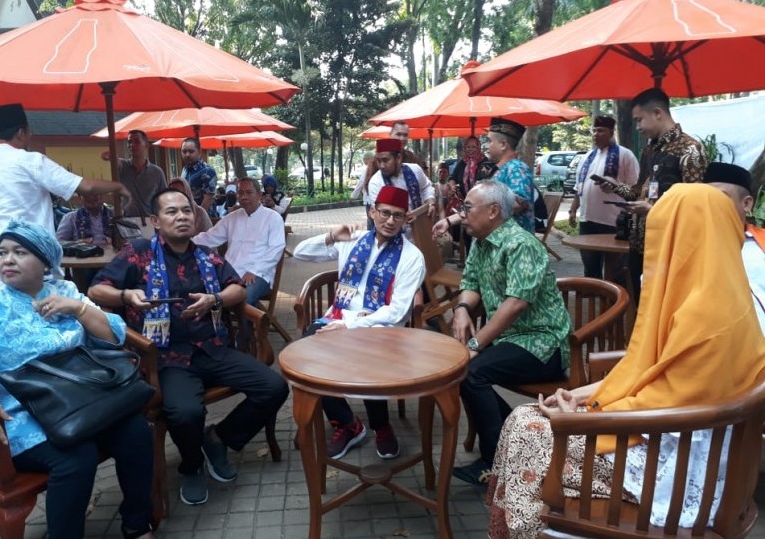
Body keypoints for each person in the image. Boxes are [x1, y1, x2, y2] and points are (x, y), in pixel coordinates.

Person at [487, 184, 765, 538]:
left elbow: (672, 403)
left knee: (529, 430)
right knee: (527, 418)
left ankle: (525, 530)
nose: (654, 249)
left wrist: (584, 420)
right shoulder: (717, 289)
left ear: (688, 236)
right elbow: (647, 369)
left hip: (673, 466)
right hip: (669, 432)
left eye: (663, 234)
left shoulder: (709, 315)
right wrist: (582, 396)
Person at [0, 219, 154, 539]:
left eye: (20, 252)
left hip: (79, 401)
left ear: (45, 262)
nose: (7, 260)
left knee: (136, 432)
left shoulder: (64, 290)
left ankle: (137, 523)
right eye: (2, 252)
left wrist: (78, 308)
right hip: (16, 413)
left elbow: (112, 336)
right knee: (75, 458)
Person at [89, 189, 288, 506]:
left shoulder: (206, 254)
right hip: (165, 357)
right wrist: (126, 296)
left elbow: (237, 287)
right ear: (156, 220)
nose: (181, 216)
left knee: (274, 386)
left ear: (195, 218)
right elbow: (97, 290)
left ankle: (218, 439)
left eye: (187, 211)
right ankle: (192, 466)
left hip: (213, 347)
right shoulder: (138, 253)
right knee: (185, 412)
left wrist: (216, 299)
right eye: (172, 212)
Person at [450, 181, 570, 486]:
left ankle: (496, 462)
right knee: (463, 370)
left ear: (493, 211)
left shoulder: (521, 243)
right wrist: (462, 309)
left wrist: (476, 342)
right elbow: (471, 282)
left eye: (467, 207)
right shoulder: (481, 240)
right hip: (509, 338)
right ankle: (518, 444)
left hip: (542, 342)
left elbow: (516, 304)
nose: (461, 214)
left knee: (472, 372)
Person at [293, 186, 426, 460]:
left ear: (406, 219)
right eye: (385, 213)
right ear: (372, 212)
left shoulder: (412, 257)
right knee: (304, 353)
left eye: (398, 216)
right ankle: (347, 423)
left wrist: (349, 325)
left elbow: (398, 311)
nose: (390, 221)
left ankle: (381, 425)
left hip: (381, 331)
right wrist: (332, 236)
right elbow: (299, 254)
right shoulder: (353, 240)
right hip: (336, 320)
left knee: (366, 355)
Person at [0, 104, 131, 286]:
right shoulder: (31, 161)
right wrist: (118, 186)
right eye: (29, 131)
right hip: (29, 269)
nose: (31, 136)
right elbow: (85, 187)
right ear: (20, 133)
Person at [598, 88, 707, 304]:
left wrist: (653, 210)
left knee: (665, 307)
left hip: (670, 248)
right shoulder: (650, 151)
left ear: (658, 113)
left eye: (640, 120)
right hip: (640, 245)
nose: (638, 127)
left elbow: (696, 207)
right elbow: (639, 192)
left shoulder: (690, 150)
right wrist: (616, 187)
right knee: (640, 305)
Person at [192, 178, 285, 306]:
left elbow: (276, 249)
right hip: (229, 273)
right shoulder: (232, 218)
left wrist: (255, 270)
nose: (244, 197)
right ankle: (220, 325)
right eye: (240, 193)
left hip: (259, 274)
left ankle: (250, 325)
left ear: (259, 195)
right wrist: (184, 243)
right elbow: (209, 238)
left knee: (243, 298)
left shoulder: (273, 218)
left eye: (248, 192)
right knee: (202, 290)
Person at [434, 118, 535, 237]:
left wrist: (480, 209)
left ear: (503, 144)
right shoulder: (497, 170)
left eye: (489, 141)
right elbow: (479, 205)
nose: (486, 146)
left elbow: (519, 204)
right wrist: (449, 221)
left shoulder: (517, 168)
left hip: (513, 246)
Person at [568, 115, 640, 279]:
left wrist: (614, 188)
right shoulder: (587, 157)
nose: (595, 134)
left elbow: (636, 189)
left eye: (601, 130)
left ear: (611, 132)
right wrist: (573, 210)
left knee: (615, 271)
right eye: (593, 130)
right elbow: (579, 187)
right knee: (590, 267)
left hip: (613, 221)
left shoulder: (625, 155)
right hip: (587, 221)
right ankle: (594, 300)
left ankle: (614, 302)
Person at [703, 161, 765, 333]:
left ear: (746, 204)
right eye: (705, 198)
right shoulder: (689, 248)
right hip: (720, 347)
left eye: (721, 197)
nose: (711, 204)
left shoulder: (761, 242)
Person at [367, 138, 436, 222]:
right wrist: (403, 217)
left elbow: (426, 187)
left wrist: (431, 203)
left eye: (385, 160)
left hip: (420, 226)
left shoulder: (415, 170)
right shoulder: (376, 182)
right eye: (378, 160)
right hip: (393, 232)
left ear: (398, 158)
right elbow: (380, 215)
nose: (382, 166)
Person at [118, 129, 167, 217]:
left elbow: (164, 199)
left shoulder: (157, 173)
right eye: (129, 142)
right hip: (126, 222)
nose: (132, 145)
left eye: (137, 142)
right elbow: (114, 161)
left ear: (146, 145)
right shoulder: (122, 167)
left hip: (150, 222)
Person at [180, 137, 217, 213]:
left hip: (206, 219)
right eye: (184, 151)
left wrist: (196, 218)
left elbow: (208, 200)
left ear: (199, 152)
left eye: (191, 151)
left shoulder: (207, 171)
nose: (187, 155)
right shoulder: (185, 170)